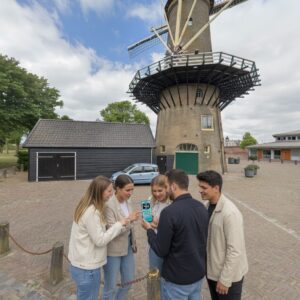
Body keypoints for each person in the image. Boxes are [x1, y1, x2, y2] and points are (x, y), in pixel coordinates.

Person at [142, 169, 208, 300]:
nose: (164, 191)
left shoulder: (169, 211)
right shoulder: (201, 207)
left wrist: (149, 229)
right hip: (197, 275)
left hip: (177, 279)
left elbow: (161, 250)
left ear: (173, 186)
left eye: (165, 187)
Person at [68, 176, 130, 300]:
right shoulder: (92, 212)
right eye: (109, 191)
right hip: (87, 268)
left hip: (81, 264)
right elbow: (100, 240)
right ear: (99, 192)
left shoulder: (84, 206)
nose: (111, 194)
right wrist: (120, 224)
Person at [197, 170, 248, 300]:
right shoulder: (205, 206)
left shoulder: (230, 213)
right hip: (212, 273)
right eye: (199, 186)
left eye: (204, 187)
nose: (200, 190)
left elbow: (235, 250)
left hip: (228, 278)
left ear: (216, 188)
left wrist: (225, 279)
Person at [103, 174, 139, 300]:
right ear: (117, 188)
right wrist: (130, 220)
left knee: (128, 281)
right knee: (110, 286)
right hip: (113, 250)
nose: (130, 193)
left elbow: (131, 223)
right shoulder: (108, 205)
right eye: (127, 190)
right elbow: (112, 230)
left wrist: (133, 240)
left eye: (132, 190)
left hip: (128, 247)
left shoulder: (128, 201)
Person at [148, 174, 170, 273]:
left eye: (160, 190)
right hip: (154, 244)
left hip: (169, 245)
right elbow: (146, 220)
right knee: (154, 275)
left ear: (167, 188)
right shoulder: (150, 201)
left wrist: (158, 225)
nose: (156, 194)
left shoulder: (172, 204)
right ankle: (155, 289)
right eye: (154, 191)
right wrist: (148, 223)